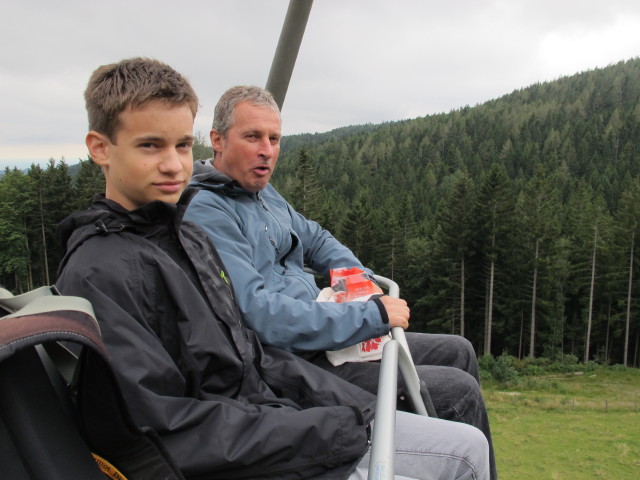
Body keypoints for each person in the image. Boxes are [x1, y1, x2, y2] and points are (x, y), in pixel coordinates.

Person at [56, 58, 490, 480]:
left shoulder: (186, 234)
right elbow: (162, 427)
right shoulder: (116, 267)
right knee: (466, 447)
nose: (173, 165)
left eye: (182, 145)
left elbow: (245, 353)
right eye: (151, 145)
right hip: (262, 434)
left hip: (274, 407)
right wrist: (332, 421)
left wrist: (349, 400)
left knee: (458, 384)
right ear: (100, 148)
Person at [184, 86, 498, 479]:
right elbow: (259, 314)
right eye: (252, 137)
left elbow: (315, 237)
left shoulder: (261, 193)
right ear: (217, 140)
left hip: (329, 330)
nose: (267, 150)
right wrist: (367, 315)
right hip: (296, 360)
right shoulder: (209, 210)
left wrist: (359, 281)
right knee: (459, 390)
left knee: (460, 351)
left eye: (274, 138)